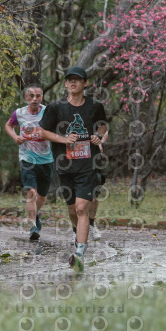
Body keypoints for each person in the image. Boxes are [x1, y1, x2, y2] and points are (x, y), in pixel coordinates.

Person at [39, 66, 108, 271]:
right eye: (70, 79)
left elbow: (103, 125)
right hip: (65, 165)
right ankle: (76, 232)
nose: (73, 82)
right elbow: (42, 132)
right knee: (72, 209)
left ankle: (79, 253)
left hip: (87, 164)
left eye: (77, 79)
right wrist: (64, 139)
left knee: (81, 208)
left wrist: (98, 136)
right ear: (65, 83)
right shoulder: (56, 107)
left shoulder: (95, 106)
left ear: (85, 83)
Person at [4, 84, 54, 241]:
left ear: (42, 97)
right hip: (27, 158)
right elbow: (8, 125)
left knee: (42, 197)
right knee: (31, 191)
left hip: (46, 159)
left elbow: (57, 128)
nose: (34, 99)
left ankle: (34, 214)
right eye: (31, 96)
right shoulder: (19, 113)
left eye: (38, 96)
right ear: (26, 97)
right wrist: (15, 137)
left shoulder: (48, 111)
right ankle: (33, 226)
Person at [88, 130, 109, 240]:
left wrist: (101, 142)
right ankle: (76, 230)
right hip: (77, 159)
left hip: (95, 162)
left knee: (93, 198)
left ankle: (91, 224)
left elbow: (105, 129)